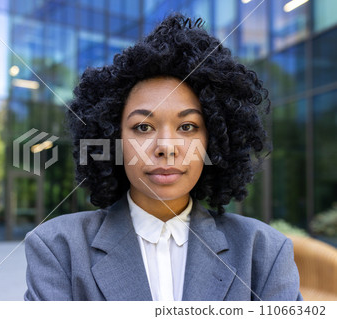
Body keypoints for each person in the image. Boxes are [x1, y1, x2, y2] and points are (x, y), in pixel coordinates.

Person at [24, 13, 302, 301]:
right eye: (143, 127)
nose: (166, 146)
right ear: (114, 139)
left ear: (215, 141)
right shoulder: (59, 248)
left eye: (187, 126)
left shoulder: (264, 252)